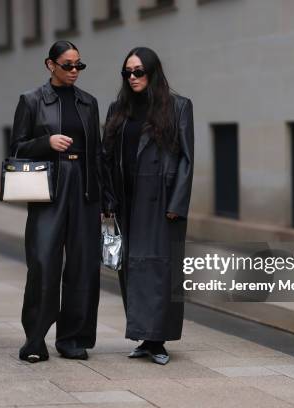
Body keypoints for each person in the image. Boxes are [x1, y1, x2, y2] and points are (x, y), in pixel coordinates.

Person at [10, 41, 103, 363]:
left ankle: (73, 339)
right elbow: (17, 149)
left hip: (85, 188)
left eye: (79, 65)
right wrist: (45, 142)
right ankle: (35, 340)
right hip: (48, 188)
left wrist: (105, 199)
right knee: (42, 264)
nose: (74, 71)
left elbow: (98, 153)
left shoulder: (89, 103)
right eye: (68, 65)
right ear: (50, 65)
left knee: (83, 267)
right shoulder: (32, 101)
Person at [102, 47, 194, 365]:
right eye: (127, 72)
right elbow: (108, 157)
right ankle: (143, 335)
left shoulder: (178, 107)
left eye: (138, 71)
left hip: (161, 200)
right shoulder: (118, 109)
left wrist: (177, 203)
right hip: (128, 200)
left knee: (160, 269)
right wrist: (108, 198)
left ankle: (158, 340)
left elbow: (186, 158)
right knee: (134, 269)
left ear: (152, 72)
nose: (132, 77)